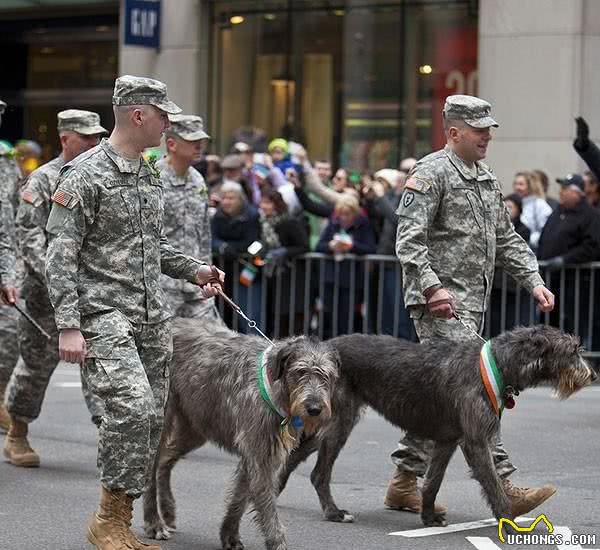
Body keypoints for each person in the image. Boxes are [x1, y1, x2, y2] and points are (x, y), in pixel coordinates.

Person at [44, 75, 224, 550]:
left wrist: (196, 271)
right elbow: (59, 253)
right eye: (164, 115)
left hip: (150, 317)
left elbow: (152, 245)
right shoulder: (84, 174)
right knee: (132, 407)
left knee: (151, 421)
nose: (170, 124)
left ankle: (119, 518)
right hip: (103, 314)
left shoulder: (147, 171)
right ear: (140, 115)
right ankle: (108, 520)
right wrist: (68, 326)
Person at [389, 94, 557, 518]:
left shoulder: (485, 176)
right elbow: (408, 241)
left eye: (489, 129)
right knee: (477, 390)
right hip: (440, 306)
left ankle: (404, 482)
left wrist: (533, 280)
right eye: (479, 129)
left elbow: (506, 239)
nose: (487, 137)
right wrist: (431, 288)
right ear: (454, 132)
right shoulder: (431, 172)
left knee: (439, 399)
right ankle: (503, 486)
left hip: (471, 306)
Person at [3, 110, 108, 468]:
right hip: (45, 295)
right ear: (66, 138)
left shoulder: (99, 178)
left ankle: (109, 439)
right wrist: (58, 275)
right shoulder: (42, 181)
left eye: (98, 137)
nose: (95, 143)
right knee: (35, 366)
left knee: (102, 364)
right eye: (87, 137)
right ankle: (17, 433)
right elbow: (28, 235)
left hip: (91, 293)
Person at [157, 114, 222, 322]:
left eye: (200, 142)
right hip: (164, 283)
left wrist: (209, 274)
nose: (199, 146)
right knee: (164, 346)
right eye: (192, 141)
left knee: (214, 341)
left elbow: (203, 233)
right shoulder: (154, 178)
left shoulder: (197, 179)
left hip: (196, 282)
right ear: (172, 144)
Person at [538, 174, 600, 340]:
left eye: (565, 189)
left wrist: (564, 260)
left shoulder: (591, 215)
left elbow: (591, 247)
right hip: (553, 280)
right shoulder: (558, 212)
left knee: (574, 325)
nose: (561, 192)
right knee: (550, 324)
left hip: (576, 283)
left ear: (578, 193)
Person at [316, 194, 376, 337]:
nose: (343, 217)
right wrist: (331, 246)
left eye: (347, 214)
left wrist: (352, 247)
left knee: (345, 319)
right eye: (341, 214)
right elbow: (319, 246)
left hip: (351, 280)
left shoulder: (363, 224)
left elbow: (370, 248)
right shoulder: (333, 223)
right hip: (331, 278)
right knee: (329, 316)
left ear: (354, 213)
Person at [0, 99, 23, 432]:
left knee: (9, 333)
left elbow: (14, 220)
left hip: (5, 259)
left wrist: (12, 269)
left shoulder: (6, 163)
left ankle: (1, 395)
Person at [512, 170, 552, 250]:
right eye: (515, 184)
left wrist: (529, 238)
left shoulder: (539, 204)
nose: (517, 187)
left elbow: (547, 231)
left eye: (521, 184)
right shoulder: (516, 203)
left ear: (530, 186)